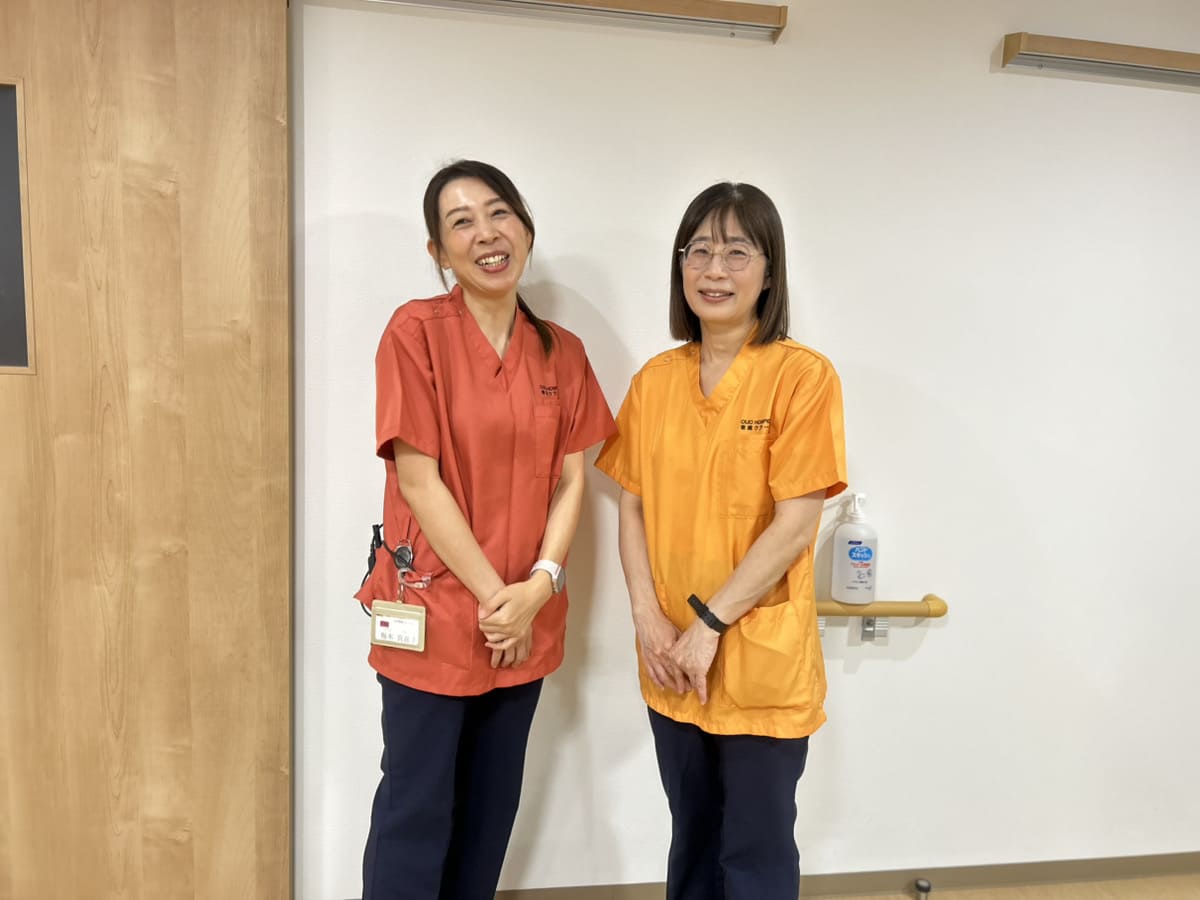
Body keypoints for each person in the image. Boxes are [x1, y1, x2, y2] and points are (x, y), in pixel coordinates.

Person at [355, 159, 615, 900]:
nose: (486, 234)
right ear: (439, 252)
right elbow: (418, 479)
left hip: (525, 618)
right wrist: (500, 599)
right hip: (435, 611)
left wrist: (539, 587)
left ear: (525, 228)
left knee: (489, 808)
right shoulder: (415, 332)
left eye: (499, 213)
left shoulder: (562, 351)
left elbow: (572, 480)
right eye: (461, 222)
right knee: (416, 805)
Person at [594, 182, 847, 900]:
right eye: (698, 250)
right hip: (672, 657)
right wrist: (646, 616)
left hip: (755, 659)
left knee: (755, 852)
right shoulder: (655, 382)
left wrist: (708, 626)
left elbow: (796, 522)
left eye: (738, 252)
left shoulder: (802, 377)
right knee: (693, 840)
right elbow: (632, 506)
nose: (714, 269)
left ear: (769, 272)